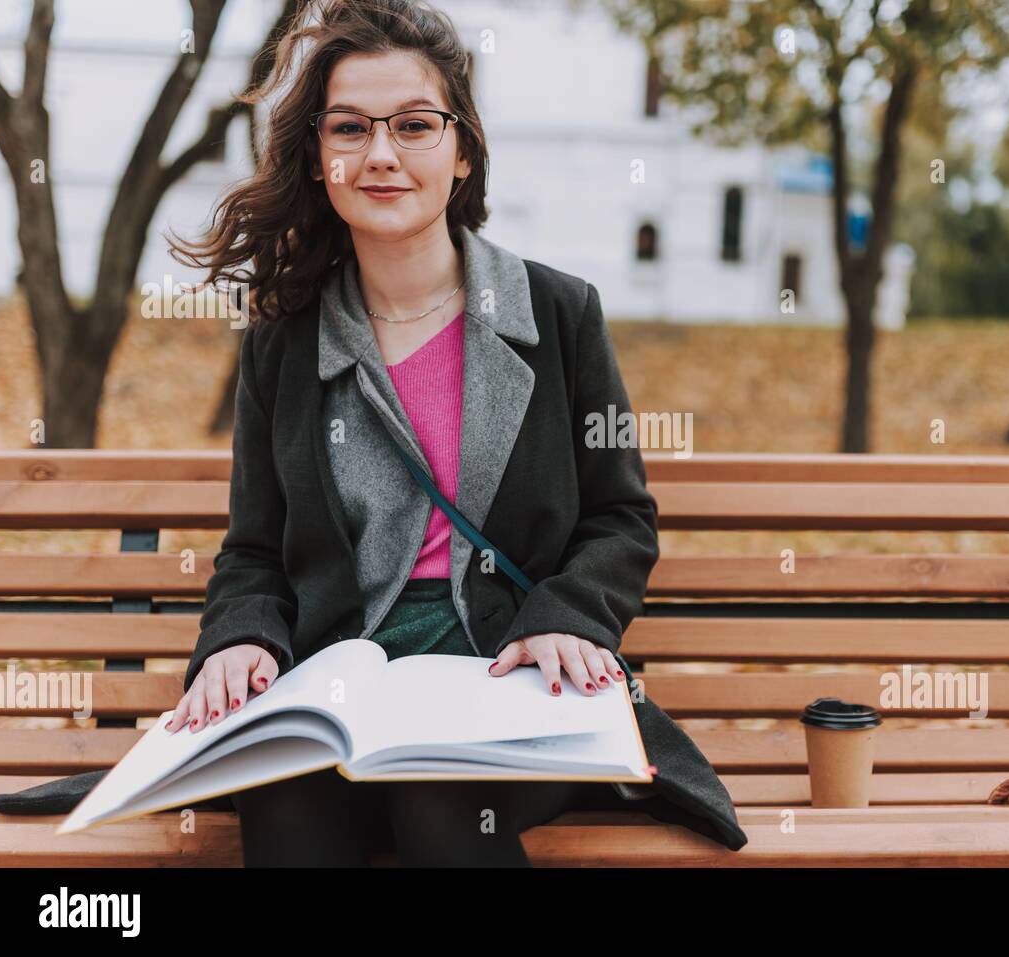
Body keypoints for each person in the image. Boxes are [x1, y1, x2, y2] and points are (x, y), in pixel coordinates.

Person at [162, 0, 747, 866]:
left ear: (462, 149)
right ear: (320, 158)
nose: (383, 154)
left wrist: (568, 618)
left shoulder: (558, 314)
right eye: (351, 128)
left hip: (512, 684)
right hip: (339, 691)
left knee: (439, 793)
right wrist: (240, 635)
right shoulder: (284, 341)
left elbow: (620, 519)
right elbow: (255, 548)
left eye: (415, 124)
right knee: (285, 799)